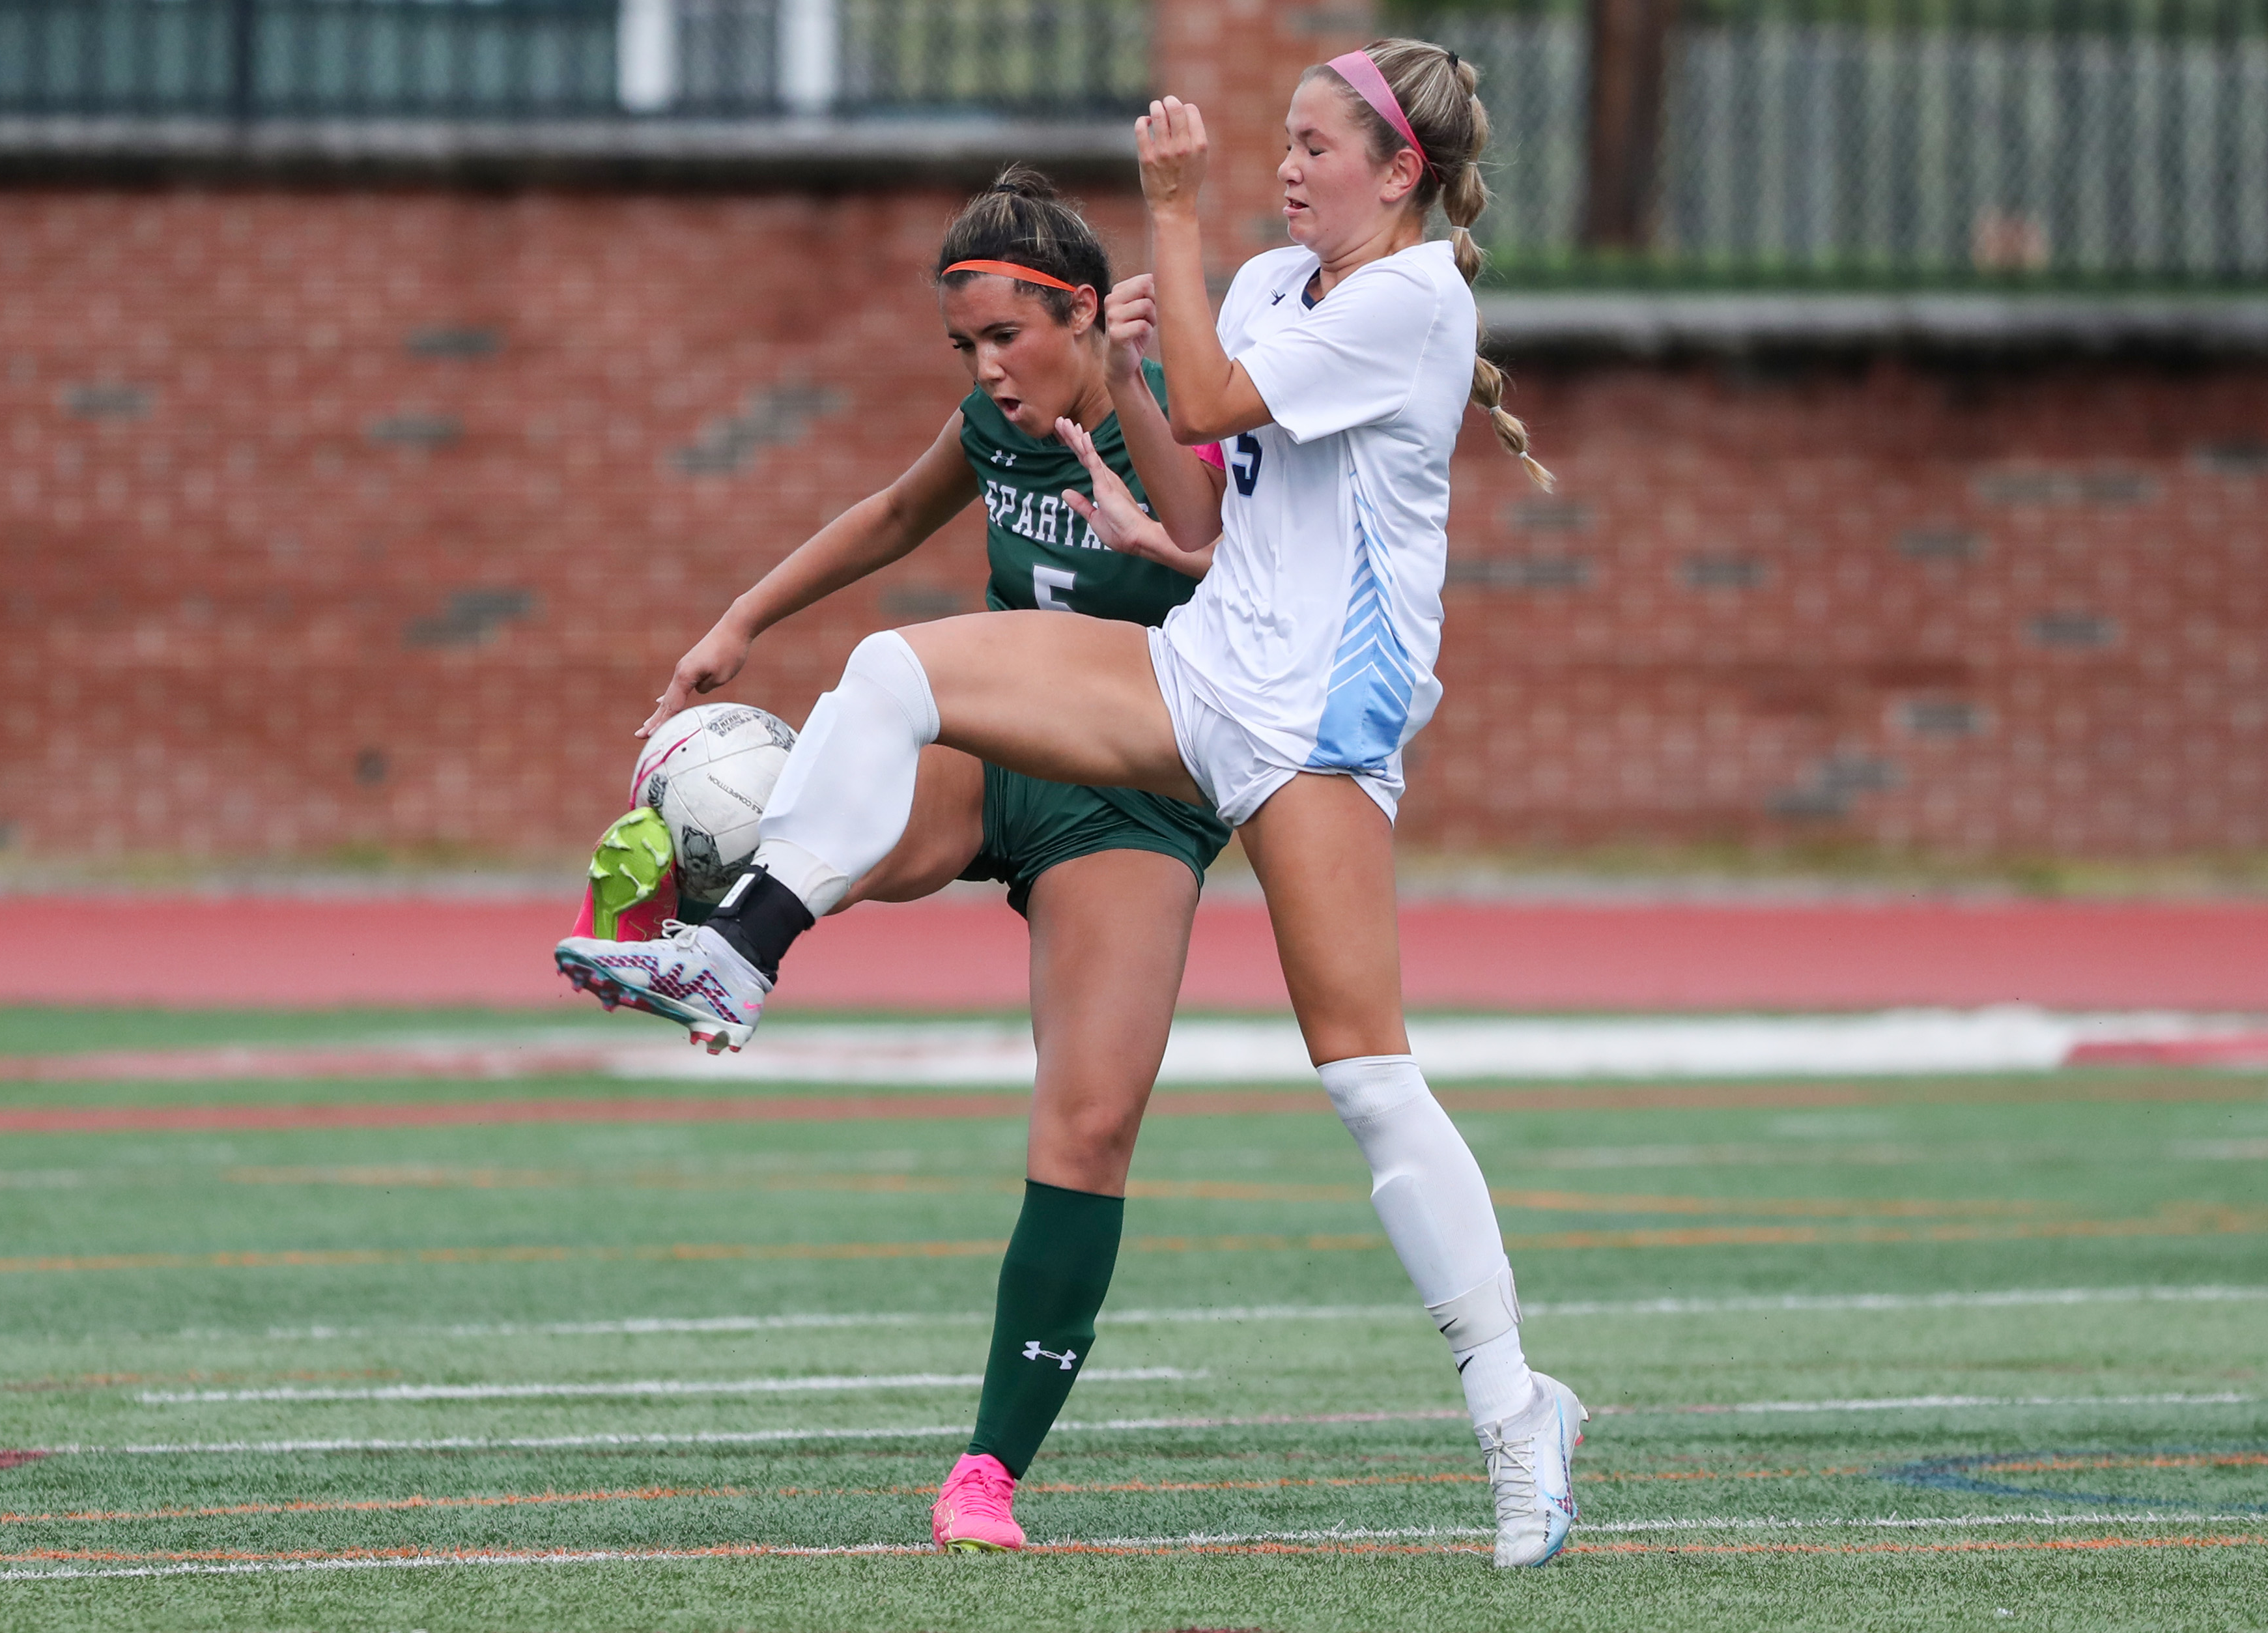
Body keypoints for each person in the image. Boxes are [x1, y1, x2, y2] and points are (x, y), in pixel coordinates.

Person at [561, 42, 1588, 1567]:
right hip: (1198, 683)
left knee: (1367, 1081)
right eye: (1281, 141)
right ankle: (741, 945)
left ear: (1400, 174)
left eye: (1316, 145)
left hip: (1314, 734)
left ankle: (1517, 1413)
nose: (1285, 165)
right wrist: (1152, 510)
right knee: (893, 671)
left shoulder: (1414, 299)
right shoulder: (1257, 285)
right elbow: (1220, 508)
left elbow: (1225, 397)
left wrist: (1162, 229)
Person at [557, 169, 1233, 1552]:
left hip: (1136, 808)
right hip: (993, 762)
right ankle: (709, 940)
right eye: (964, 346)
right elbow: (882, 518)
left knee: (1088, 1130)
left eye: (1008, 338)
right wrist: (735, 623)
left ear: (1086, 317)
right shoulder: (989, 429)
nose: (987, 370)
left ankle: (986, 1474)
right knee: (823, 791)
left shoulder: (1157, 414)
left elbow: (1207, 531)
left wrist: (1137, 384)